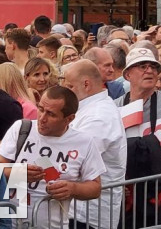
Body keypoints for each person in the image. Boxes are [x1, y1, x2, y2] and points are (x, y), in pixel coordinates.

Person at [0, 86, 105, 229]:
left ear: (69, 118)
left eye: (51, 114)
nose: (42, 118)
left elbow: (95, 188)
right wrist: (17, 173)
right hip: (9, 223)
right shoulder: (22, 128)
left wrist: (72, 188)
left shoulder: (84, 142)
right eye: (40, 109)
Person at [60, 60, 127, 229]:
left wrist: (42, 162)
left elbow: (72, 162)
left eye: (69, 87)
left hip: (88, 214)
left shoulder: (98, 116)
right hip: (77, 210)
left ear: (86, 84)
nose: (65, 94)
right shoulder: (89, 110)